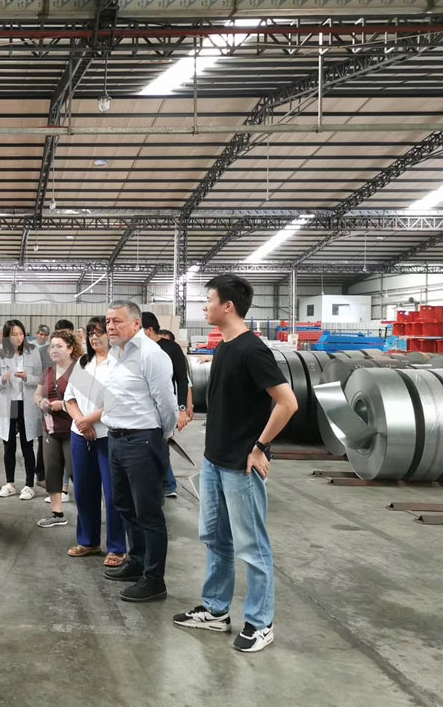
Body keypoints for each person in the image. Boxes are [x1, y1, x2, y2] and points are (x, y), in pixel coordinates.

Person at [173, 274, 297, 653]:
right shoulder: (224, 346)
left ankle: (261, 623)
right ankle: (215, 609)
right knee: (215, 539)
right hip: (214, 461)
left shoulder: (252, 350)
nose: (205, 306)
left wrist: (259, 448)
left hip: (241, 466)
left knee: (251, 545)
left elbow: (288, 403)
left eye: (209, 300)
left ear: (228, 306)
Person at [101, 300, 177, 603]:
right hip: (116, 439)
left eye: (117, 321)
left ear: (136, 323)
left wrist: (160, 436)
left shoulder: (151, 354)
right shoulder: (115, 353)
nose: (110, 327)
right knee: (124, 505)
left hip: (142, 441)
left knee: (149, 512)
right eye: (108, 321)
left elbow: (167, 405)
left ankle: (154, 579)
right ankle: (137, 561)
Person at [64, 316, 127, 567]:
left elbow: (116, 400)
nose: (94, 337)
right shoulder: (83, 363)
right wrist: (81, 422)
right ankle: (88, 541)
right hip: (80, 436)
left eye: (99, 332)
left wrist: (89, 421)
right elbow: (69, 398)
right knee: (83, 491)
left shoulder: (118, 364)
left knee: (113, 494)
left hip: (107, 436)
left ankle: (117, 548)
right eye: (91, 333)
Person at [34, 329, 80, 528]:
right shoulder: (49, 372)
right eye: (52, 346)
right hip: (50, 429)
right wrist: (41, 401)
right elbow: (37, 394)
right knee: (52, 470)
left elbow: (89, 400)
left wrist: (63, 405)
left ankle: (89, 511)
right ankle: (57, 513)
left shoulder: (79, 371)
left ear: (70, 349)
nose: (54, 349)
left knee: (75, 471)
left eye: (59, 346)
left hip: (73, 429)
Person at [0, 319, 43, 500]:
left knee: (28, 445)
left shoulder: (33, 351)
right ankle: (10, 483)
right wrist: (3, 380)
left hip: (26, 403)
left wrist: (27, 377)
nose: (19, 337)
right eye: (14, 334)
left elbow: (40, 378)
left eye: (21, 334)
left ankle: (29, 485)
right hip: (8, 404)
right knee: (9, 445)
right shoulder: (0, 352)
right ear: (7, 336)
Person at [141, 312, 190, 499]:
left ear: (149, 330)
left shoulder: (171, 348)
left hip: (164, 405)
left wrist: (182, 409)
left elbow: (182, 379)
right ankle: (161, 485)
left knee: (161, 444)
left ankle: (167, 485)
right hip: (143, 408)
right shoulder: (136, 349)